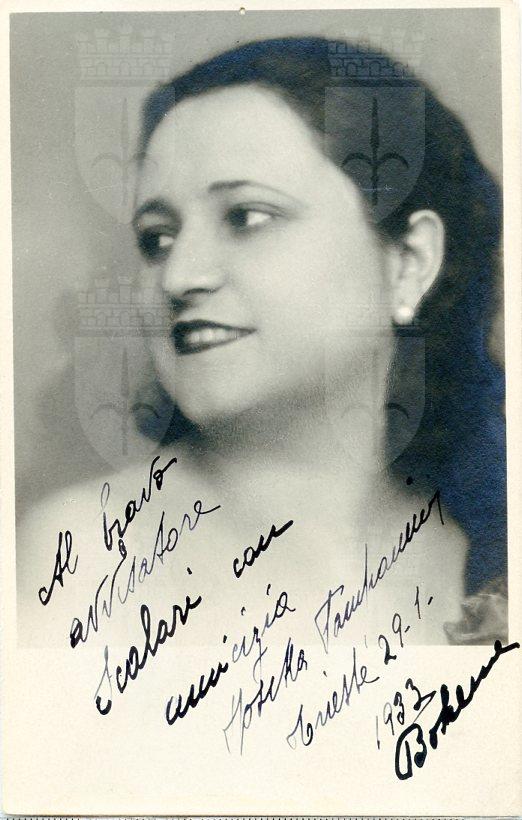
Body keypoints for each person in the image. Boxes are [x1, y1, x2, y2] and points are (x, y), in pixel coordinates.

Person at [19, 36, 506, 653]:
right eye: (157, 238)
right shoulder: (81, 556)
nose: (178, 277)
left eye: (247, 217)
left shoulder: (489, 562)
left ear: (409, 262)